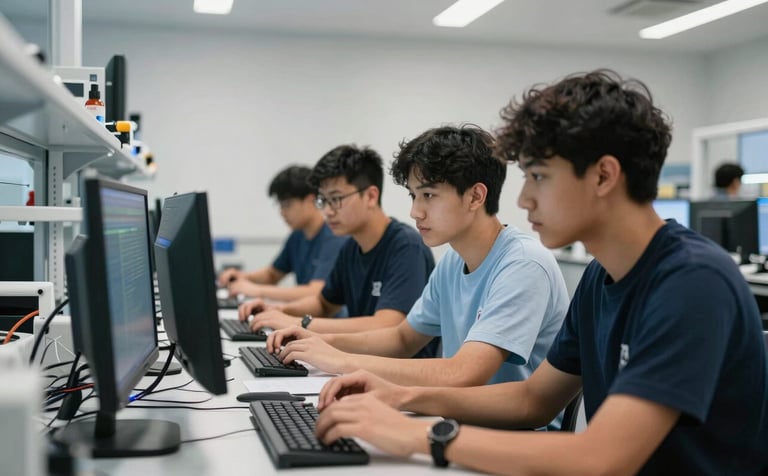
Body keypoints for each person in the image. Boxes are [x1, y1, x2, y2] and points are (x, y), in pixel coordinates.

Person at [313, 70, 768, 475]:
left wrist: (422, 436)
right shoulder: (599, 277)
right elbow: (533, 399)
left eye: (539, 176)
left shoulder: (691, 282)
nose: (525, 198)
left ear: (604, 176)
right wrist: (399, 396)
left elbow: (603, 458)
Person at [267, 126, 568, 396]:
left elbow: (463, 373)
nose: (415, 211)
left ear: (476, 197)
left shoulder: (523, 264)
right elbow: (401, 339)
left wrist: (343, 361)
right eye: (414, 196)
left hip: (517, 437)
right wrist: (320, 339)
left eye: (428, 195)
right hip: (456, 415)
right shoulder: (453, 262)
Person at [239, 145, 437, 353]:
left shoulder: (406, 246)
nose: (327, 211)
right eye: (323, 200)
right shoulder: (351, 247)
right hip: (360, 364)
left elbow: (387, 325)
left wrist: (301, 324)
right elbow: (324, 304)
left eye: (336, 199)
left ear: (370, 196)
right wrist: (278, 310)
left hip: (395, 376)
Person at [218, 165, 346, 301]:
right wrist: (243, 277)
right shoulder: (297, 236)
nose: (282, 212)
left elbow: (316, 292)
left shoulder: (334, 237)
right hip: (309, 319)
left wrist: (257, 290)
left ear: (310, 200)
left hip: (331, 320)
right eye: (280, 205)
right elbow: (272, 274)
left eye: (287, 204)